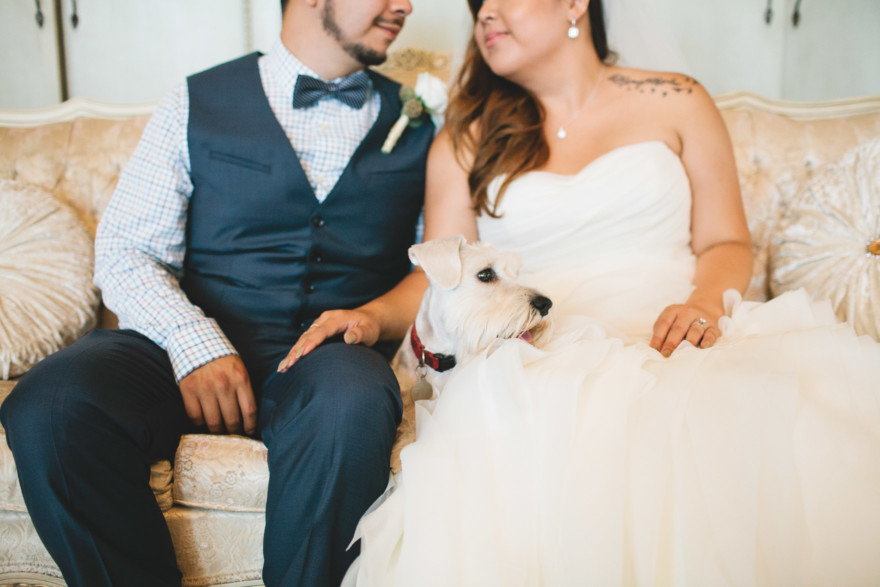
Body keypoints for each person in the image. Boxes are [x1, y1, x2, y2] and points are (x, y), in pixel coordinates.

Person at [337, 0, 880, 584]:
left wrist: (703, 306)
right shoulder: (465, 136)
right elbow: (440, 281)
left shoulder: (679, 99)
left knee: (748, 417)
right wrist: (369, 317)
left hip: (672, 326)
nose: (485, 13)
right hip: (541, 345)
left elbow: (725, 240)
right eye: (477, 4)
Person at [0, 0, 435, 585]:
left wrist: (370, 319)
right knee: (50, 404)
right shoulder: (194, 99)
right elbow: (127, 248)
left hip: (329, 360)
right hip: (180, 339)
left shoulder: (424, 121)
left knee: (352, 403)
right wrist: (193, 342)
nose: (405, 5)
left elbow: (434, 269)